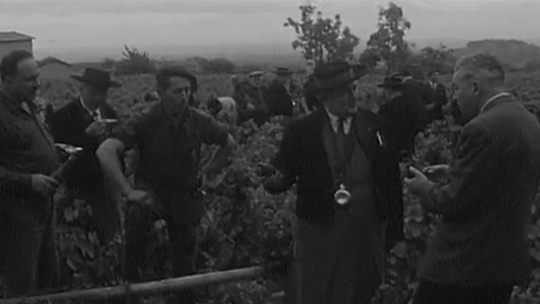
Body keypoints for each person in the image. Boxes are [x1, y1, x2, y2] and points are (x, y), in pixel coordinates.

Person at [264, 61, 404, 304]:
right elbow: (283, 172)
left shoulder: (375, 125)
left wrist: (396, 231)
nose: (351, 97)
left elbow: (391, 181)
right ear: (324, 97)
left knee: (365, 288)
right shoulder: (301, 130)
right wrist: (273, 179)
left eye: (353, 89)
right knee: (319, 289)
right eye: (343, 92)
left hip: (366, 227)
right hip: (320, 226)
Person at [405, 53, 540, 304]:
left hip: (463, 265)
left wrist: (424, 188)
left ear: (475, 86)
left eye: (457, 88)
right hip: (503, 262)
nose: (453, 97)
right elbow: (500, 177)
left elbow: (451, 201)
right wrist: (454, 170)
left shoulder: (480, 128)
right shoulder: (527, 120)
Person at [96, 66, 235, 303]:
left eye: (187, 91)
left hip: (184, 196)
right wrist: (128, 190)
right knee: (135, 239)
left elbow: (228, 142)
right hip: (152, 194)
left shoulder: (199, 120)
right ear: (160, 92)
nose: (183, 96)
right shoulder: (146, 121)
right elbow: (105, 151)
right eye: (176, 91)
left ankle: (183, 296)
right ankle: (131, 289)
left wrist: (209, 172)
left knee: (185, 264)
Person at [0, 50, 60, 296]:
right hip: (16, 215)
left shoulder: (28, 105)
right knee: (22, 283)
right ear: (6, 80)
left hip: (43, 209)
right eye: (29, 79)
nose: (37, 84)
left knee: (49, 279)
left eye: (37, 76)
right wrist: (28, 181)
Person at [47, 68, 122, 244]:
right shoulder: (63, 116)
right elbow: (58, 150)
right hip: (78, 187)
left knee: (110, 235)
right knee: (82, 235)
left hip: (107, 186)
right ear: (82, 89)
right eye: (93, 92)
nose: (98, 98)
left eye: (102, 93)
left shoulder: (110, 114)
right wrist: (86, 135)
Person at [377, 74, 427, 160]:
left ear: (389, 90)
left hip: (391, 154)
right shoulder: (413, 106)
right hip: (409, 150)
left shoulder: (385, 109)